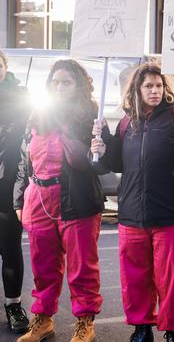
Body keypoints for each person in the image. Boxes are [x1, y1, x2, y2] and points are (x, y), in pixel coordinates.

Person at [90, 63, 174, 342]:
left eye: (158, 86)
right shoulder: (125, 124)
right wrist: (102, 144)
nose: (155, 91)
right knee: (135, 280)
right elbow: (112, 164)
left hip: (173, 215)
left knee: (173, 281)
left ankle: (172, 330)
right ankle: (141, 327)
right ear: (137, 90)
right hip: (132, 215)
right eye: (148, 86)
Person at [14, 59, 105, 342]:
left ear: (78, 85)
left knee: (82, 267)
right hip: (39, 199)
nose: (59, 87)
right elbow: (24, 161)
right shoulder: (37, 115)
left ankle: (84, 322)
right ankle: (43, 320)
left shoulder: (89, 118)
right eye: (55, 82)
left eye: (66, 82)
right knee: (43, 266)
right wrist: (19, 200)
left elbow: (97, 163)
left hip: (76, 199)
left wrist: (87, 139)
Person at [0, 50, 30, 334]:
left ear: (5, 68)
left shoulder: (22, 98)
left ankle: (13, 305)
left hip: (8, 186)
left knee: (9, 247)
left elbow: (29, 146)